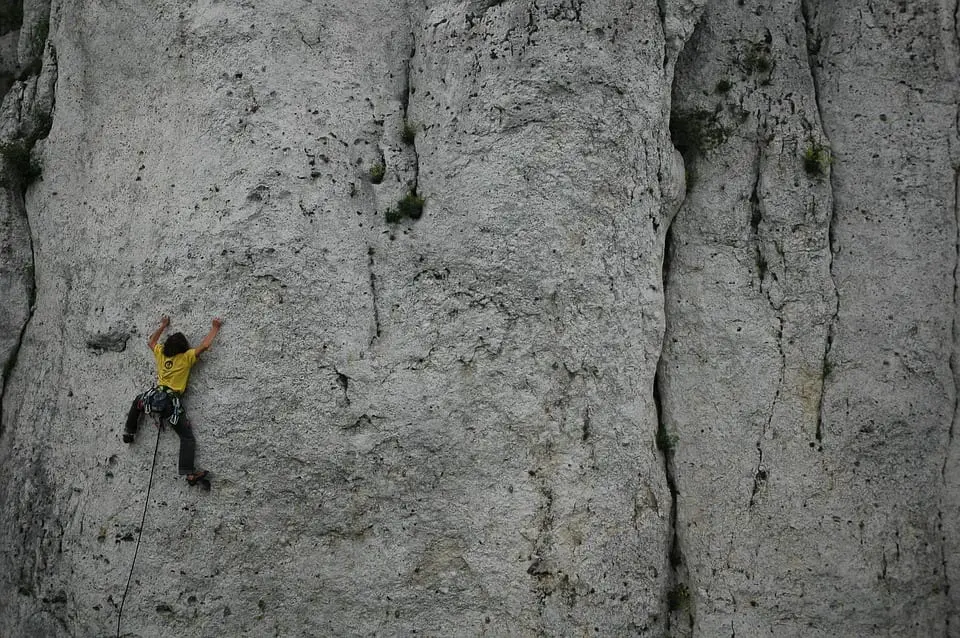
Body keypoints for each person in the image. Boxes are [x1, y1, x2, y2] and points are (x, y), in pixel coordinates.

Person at [124, 315, 222, 486]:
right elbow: (205, 345)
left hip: (153, 396)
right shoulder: (186, 357)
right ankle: (189, 473)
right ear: (183, 348)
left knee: (137, 401)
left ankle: (129, 431)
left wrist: (162, 325)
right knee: (187, 437)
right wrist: (215, 327)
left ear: (168, 346)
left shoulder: (161, 353)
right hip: (170, 404)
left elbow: (151, 342)